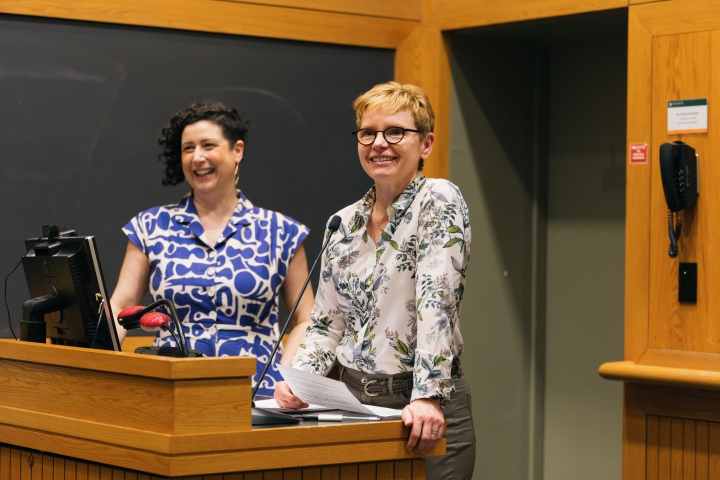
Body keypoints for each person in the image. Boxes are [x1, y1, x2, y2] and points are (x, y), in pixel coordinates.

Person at [274, 82, 475, 479]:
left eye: (395, 132)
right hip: (349, 407)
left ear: (426, 144)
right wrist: (300, 380)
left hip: (421, 409)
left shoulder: (438, 199)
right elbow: (326, 323)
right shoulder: (343, 222)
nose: (379, 143)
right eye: (368, 133)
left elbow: (437, 304)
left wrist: (427, 397)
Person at [110, 102, 314, 396]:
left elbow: (305, 319)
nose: (198, 157)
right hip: (169, 389)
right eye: (188, 148)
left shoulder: (281, 232)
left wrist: (290, 378)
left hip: (256, 392)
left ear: (237, 151)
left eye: (208, 145)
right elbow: (121, 307)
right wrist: (96, 362)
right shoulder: (150, 225)